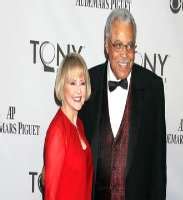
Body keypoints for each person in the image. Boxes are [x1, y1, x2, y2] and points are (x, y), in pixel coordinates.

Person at [79, 8, 166, 200]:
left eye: (130, 45)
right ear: (106, 46)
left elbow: (158, 165)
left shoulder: (153, 88)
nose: (125, 54)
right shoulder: (87, 82)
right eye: (118, 45)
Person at [44, 53, 93, 200]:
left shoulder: (79, 125)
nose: (79, 90)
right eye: (72, 83)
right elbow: (50, 194)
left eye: (82, 83)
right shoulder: (58, 130)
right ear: (61, 86)